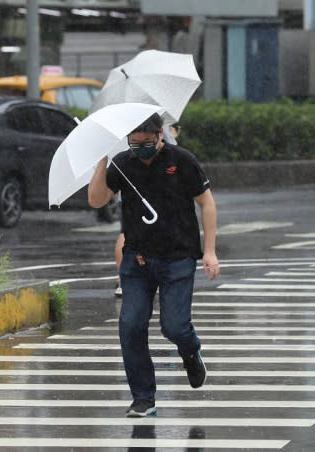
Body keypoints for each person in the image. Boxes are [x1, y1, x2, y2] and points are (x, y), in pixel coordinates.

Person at [88, 113, 219, 418]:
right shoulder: (122, 163)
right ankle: (143, 397)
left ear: (160, 135)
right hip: (137, 261)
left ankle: (190, 350)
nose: (142, 147)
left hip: (178, 258)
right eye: (135, 142)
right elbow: (96, 200)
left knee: (174, 327)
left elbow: (207, 203)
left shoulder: (181, 161)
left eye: (147, 141)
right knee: (130, 326)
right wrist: (101, 162)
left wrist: (209, 251)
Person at [114, 124, 179, 299]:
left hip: (128, 196)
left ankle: (122, 280)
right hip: (152, 196)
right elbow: (173, 149)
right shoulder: (154, 124)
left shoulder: (119, 128)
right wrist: (172, 134)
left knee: (125, 233)